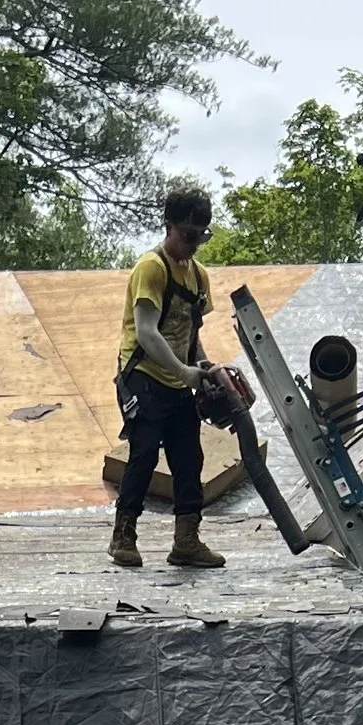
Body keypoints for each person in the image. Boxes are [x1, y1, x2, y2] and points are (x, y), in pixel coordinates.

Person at [111, 181, 228, 575]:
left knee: (189, 458)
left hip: (179, 380)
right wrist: (183, 372)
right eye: (187, 235)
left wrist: (205, 367)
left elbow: (191, 334)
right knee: (143, 453)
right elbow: (147, 332)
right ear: (169, 226)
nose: (193, 245)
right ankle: (123, 536)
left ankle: (186, 541)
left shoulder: (198, 276)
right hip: (143, 373)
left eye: (200, 237)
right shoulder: (151, 268)